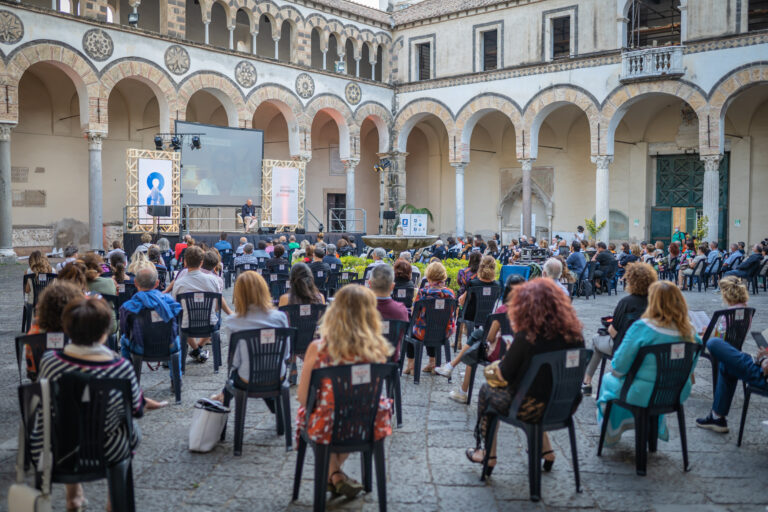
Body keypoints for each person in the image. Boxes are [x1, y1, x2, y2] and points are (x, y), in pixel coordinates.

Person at [32, 297, 143, 512]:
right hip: (107, 449)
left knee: (68, 421)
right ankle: (114, 500)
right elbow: (136, 410)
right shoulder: (121, 367)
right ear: (105, 332)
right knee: (129, 428)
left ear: (67, 328)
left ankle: (73, 497)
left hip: (58, 447)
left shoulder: (49, 361)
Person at [465, 278, 584, 472]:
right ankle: (547, 451)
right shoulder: (575, 335)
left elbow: (504, 375)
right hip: (566, 405)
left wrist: (509, 355)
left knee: (487, 391)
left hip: (531, 407)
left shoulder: (527, 337)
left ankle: (488, 454)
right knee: (539, 390)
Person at [295, 285, 393, 499]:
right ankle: (336, 475)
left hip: (327, 423)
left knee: (315, 415)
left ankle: (333, 475)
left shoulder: (318, 348)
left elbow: (303, 399)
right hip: (365, 424)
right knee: (350, 415)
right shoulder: (377, 350)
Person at [597, 281, 701, 447]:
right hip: (676, 392)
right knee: (649, 386)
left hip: (641, 392)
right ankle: (654, 430)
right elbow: (691, 368)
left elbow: (619, 366)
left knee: (608, 381)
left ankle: (613, 433)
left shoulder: (642, 328)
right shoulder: (692, 334)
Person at [437, 274, 526, 402]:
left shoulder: (503, 310)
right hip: (516, 353)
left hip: (500, 353)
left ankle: (462, 389)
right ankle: (451, 367)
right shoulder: (527, 310)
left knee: (475, 347)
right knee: (478, 337)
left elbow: (489, 338)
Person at [210, 271, 290, 409]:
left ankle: (223, 397)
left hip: (247, 378)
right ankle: (276, 409)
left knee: (235, 374)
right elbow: (286, 353)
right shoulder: (280, 317)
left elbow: (235, 361)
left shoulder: (233, 322)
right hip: (278, 374)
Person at [696, 277, 763, 432]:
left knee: (712, 343)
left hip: (753, 366)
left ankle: (717, 416)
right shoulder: (747, 310)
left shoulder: (727, 313)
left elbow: (719, 339)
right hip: (740, 351)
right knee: (727, 366)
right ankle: (717, 417)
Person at [582, 262, 657, 395]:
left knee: (596, 339)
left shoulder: (626, 302)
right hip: (649, 347)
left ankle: (587, 381)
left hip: (625, 347)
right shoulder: (655, 301)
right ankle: (586, 381)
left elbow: (613, 332)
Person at [403, 262, 456, 375]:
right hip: (445, 331)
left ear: (429, 275)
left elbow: (414, 314)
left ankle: (411, 365)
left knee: (411, 328)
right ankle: (433, 363)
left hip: (424, 332)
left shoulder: (423, 293)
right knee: (433, 325)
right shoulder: (450, 293)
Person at [172, 246, 222, 364]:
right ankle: (198, 350)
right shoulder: (213, 280)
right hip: (209, 324)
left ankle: (196, 350)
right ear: (201, 262)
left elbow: (176, 308)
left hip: (186, 325)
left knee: (182, 321)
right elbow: (216, 307)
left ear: (185, 262)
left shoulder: (179, 283)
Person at [370, 264, 410, 361]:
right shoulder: (401, 310)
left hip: (367, 361)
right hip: (391, 359)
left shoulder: (361, 309)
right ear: (392, 286)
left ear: (369, 284)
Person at [83, 252, 118, 331]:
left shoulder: (79, 283)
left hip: (85, 324)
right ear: (98, 267)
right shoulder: (110, 282)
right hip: (109, 324)